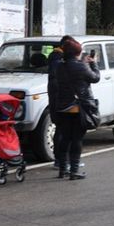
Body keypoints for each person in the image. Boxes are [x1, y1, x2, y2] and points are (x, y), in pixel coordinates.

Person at [55, 39, 100, 180]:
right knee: (77, 139)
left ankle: (63, 169)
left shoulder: (59, 66)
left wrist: (84, 63)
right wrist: (93, 63)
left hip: (63, 107)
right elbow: (95, 78)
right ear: (77, 53)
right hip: (78, 108)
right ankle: (74, 170)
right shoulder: (81, 66)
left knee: (65, 138)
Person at [47, 35, 75, 168]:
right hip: (60, 99)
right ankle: (61, 161)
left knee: (62, 130)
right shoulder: (58, 59)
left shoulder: (56, 58)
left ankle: (63, 161)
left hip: (57, 98)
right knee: (63, 130)